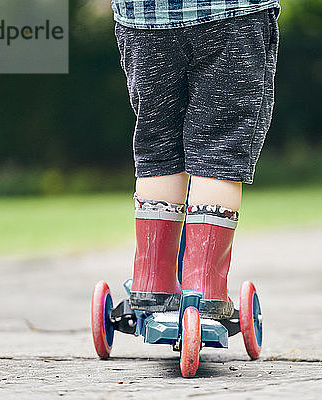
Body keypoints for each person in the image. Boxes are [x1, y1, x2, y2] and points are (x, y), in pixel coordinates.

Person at [112, 0, 280, 319]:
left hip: (146, 19)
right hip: (233, 15)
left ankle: (151, 283)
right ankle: (203, 289)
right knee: (220, 147)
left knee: (158, 146)